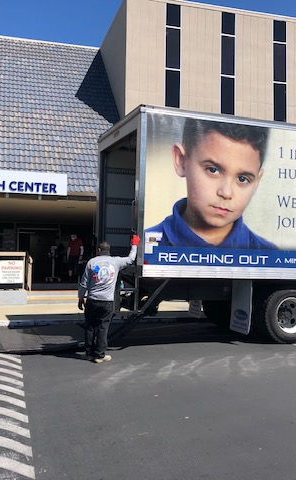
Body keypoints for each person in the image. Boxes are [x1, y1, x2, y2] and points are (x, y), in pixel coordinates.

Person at [145, 118, 277, 249]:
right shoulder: (146, 246)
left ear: (256, 182)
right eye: (213, 170)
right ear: (181, 160)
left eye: (242, 179)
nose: (226, 193)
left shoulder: (271, 255)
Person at [78, 235, 139, 364]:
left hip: (92, 300)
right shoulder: (116, 262)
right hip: (107, 302)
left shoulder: (91, 262)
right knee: (103, 327)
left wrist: (80, 298)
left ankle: (89, 353)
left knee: (90, 326)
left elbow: (84, 283)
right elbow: (131, 259)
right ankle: (100, 355)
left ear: (98, 251)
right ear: (109, 251)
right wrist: (134, 244)